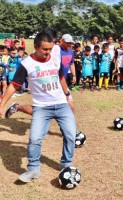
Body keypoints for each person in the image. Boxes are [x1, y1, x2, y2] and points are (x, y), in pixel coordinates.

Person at [0, 32, 77, 183]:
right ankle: (33, 169)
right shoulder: (26, 64)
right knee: (34, 139)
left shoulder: (55, 59)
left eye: (50, 49)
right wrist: (2, 104)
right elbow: (14, 86)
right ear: (35, 47)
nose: (48, 53)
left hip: (61, 104)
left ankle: (66, 164)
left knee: (70, 135)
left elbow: (60, 76)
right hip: (41, 108)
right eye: (45, 49)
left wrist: (68, 96)